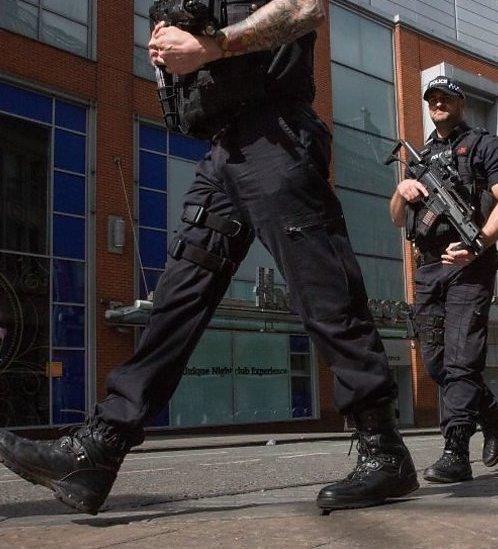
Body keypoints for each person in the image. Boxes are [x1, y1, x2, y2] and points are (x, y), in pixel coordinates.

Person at [0, 0, 417, 515]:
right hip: (224, 155)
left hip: (275, 139)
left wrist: (210, 46)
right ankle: (99, 448)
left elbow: (308, 9)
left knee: (325, 294)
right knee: (175, 300)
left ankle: (385, 450)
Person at [389, 77, 498, 483]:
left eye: (446, 97)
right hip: (428, 267)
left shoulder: (486, 145)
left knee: (462, 356)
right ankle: (493, 415)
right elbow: (399, 219)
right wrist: (403, 189)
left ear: (460, 102)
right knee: (434, 361)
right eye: (432, 98)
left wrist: (479, 244)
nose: (438, 103)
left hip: (470, 263)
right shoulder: (421, 157)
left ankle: (455, 451)